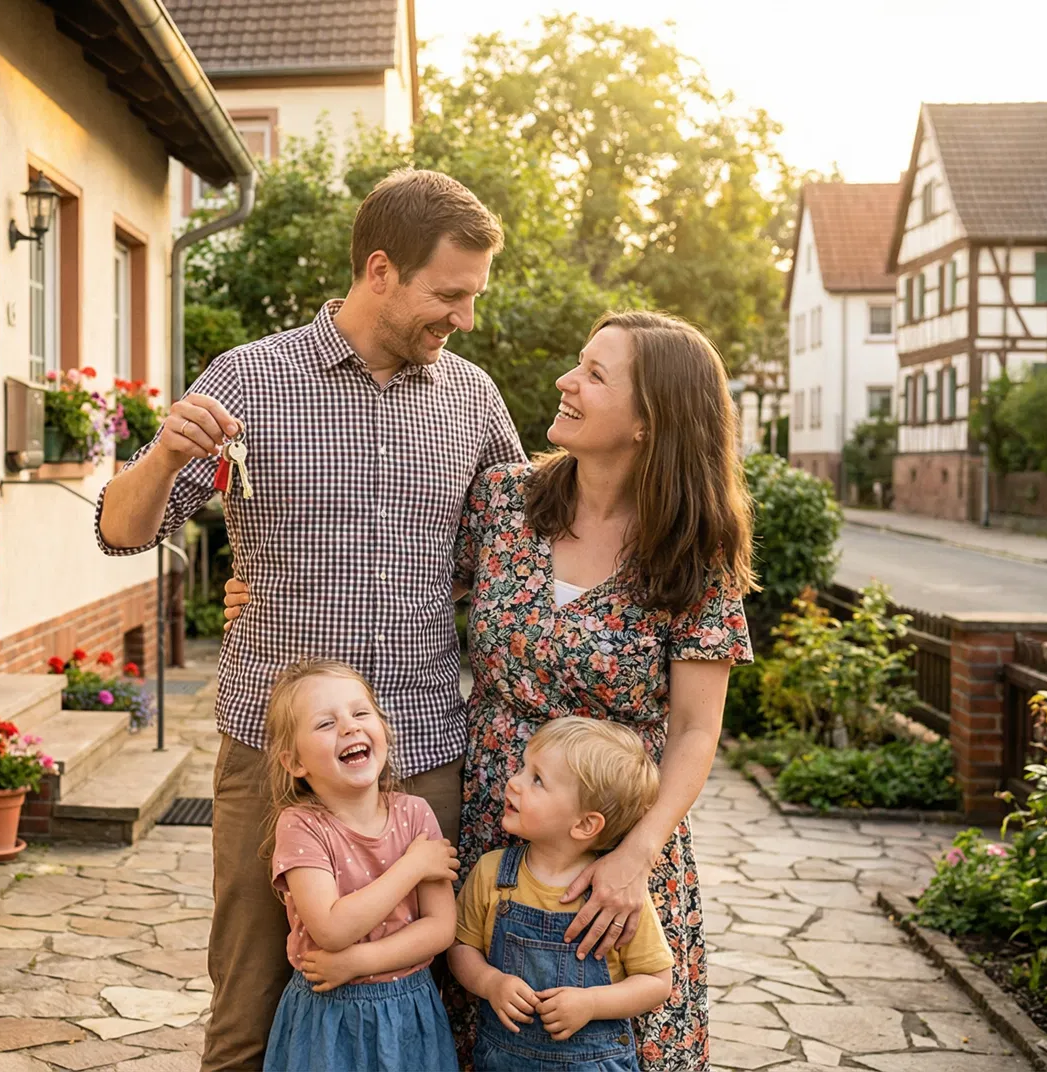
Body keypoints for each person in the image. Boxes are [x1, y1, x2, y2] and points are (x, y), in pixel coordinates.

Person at [226, 309, 752, 1070]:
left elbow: (700, 730)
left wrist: (635, 854)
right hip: (495, 810)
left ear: (650, 421)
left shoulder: (696, 549)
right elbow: (395, 577)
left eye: (596, 375)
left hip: (613, 835)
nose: (567, 382)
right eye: (579, 362)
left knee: (608, 1038)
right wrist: (267, 590)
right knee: (472, 1028)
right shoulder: (506, 500)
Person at [94, 168, 524, 1071]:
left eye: (474, 298)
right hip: (272, 754)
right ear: (379, 271)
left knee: (427, 1006)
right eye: (450, 295)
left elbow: (519, 558)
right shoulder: (249, 378)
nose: (467, 320)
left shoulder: (474, 398)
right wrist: (166, 454)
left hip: (419, 754)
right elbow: (122, 531)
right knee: (249, 1004)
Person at [261, 659, 459, 1072]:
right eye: (325, 723)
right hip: (329, 1020)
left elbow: (441, 928)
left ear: (383, 729)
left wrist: (358, 962)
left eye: (360, 713)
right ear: (295, 763)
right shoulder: (301, 826)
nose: (350, 727)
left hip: (410, 1012)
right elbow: (331, 929)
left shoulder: (415, 813)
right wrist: (412, 867)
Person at [449, 718, 672, 1071]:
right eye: (523, 768)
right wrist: (490, 982)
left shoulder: (613, 895)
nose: (514, 782)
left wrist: (592, 1004)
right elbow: (461, 948)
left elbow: (657, 982)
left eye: (536, 779)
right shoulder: (493, 873)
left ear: (585, 824)